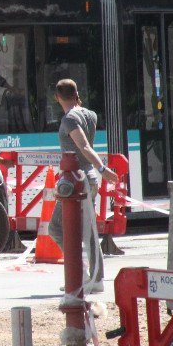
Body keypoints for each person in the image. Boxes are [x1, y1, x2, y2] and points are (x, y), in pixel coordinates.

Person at [47, 78, 119, 294]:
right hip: (88, 179)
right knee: (88, 230)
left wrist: (102, 168)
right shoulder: (90, 115)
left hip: (76, 179)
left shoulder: (69, 119)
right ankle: (93, 277)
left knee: (56, 228)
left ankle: (81, 274)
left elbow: (84, 146)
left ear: (57, 97)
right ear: (76, 92)